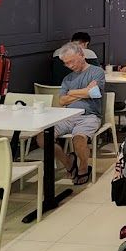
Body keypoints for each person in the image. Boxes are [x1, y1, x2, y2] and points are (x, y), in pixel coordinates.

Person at [35, 42, 104, 184]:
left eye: (71, 61)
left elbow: (95, 93)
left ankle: (84, 167)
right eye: (66, 63)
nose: (70, 66)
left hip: (89, 116)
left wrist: (72, 93)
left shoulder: (97, 72)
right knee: (42, 138)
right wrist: (85, 92)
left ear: (81, 55)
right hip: (67, 115)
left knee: (78, 139)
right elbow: (62, 101)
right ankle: (68, 162)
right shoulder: (67, 78)